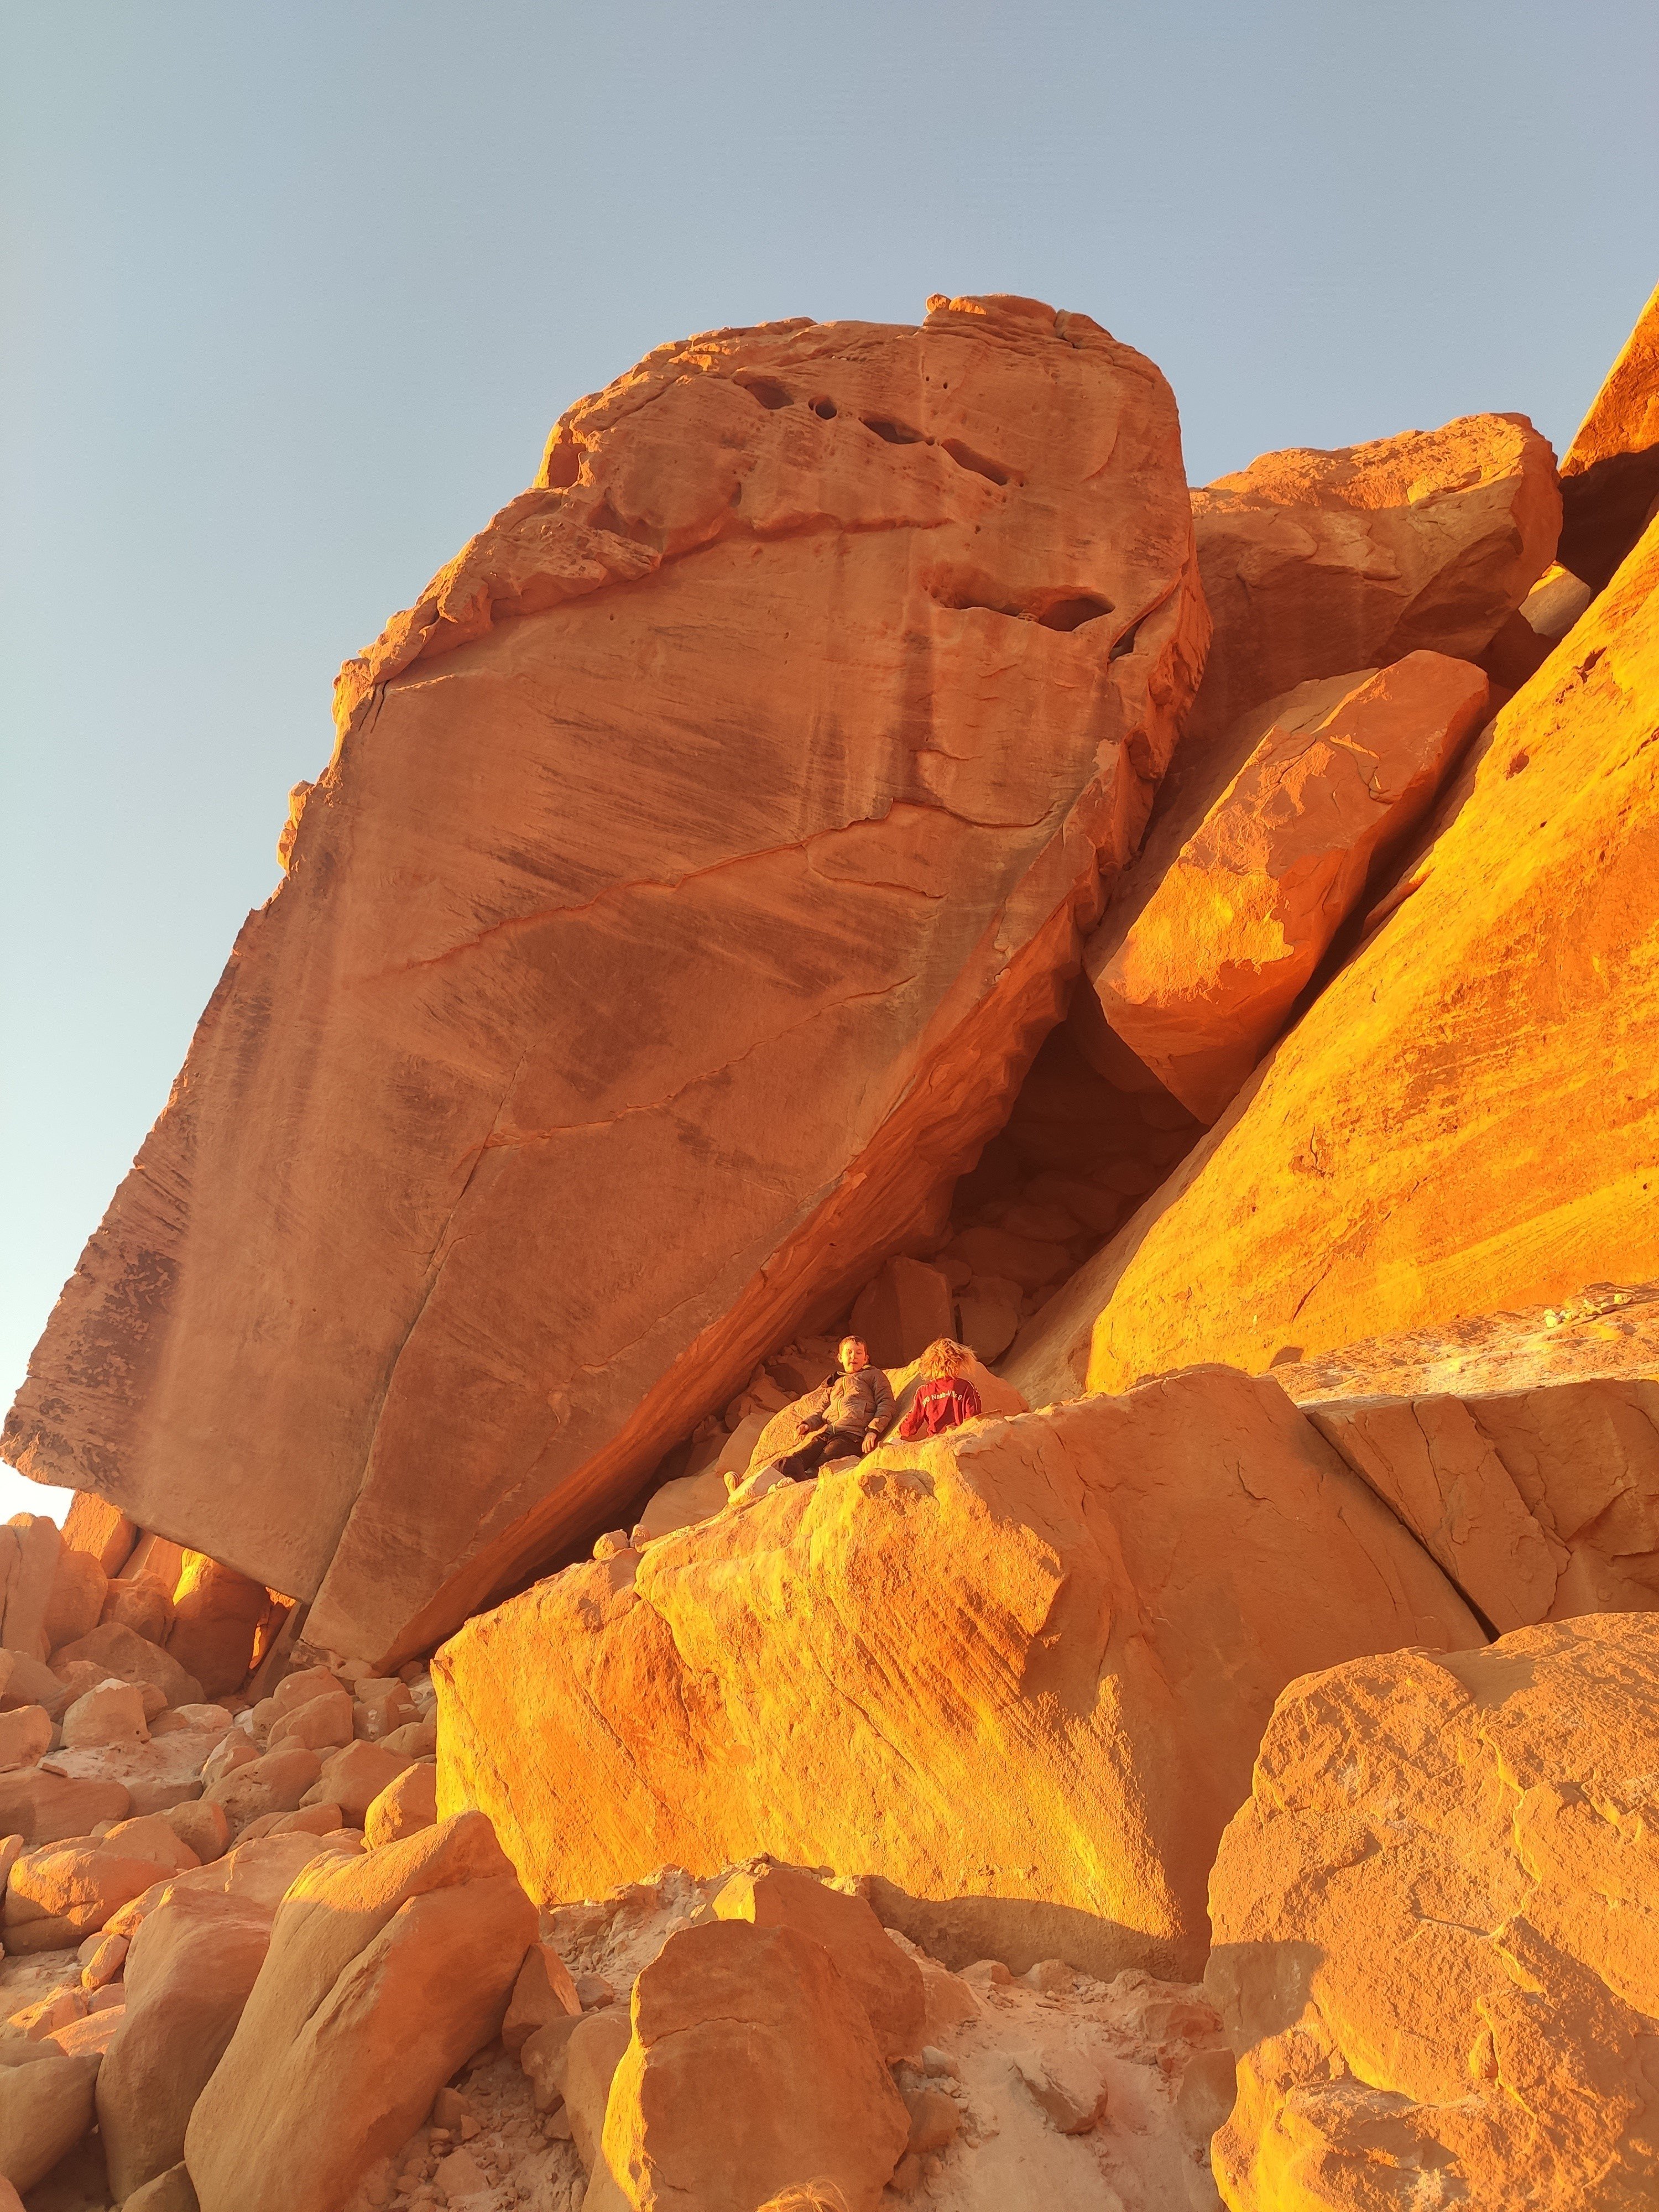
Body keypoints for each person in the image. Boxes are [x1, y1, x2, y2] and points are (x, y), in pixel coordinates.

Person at [774, 1336, 895, 1480]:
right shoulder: (834, 1382)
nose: (853, 1356)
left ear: (866, 1358)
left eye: (859, 1353)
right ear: (840, 1358)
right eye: (849, 1352)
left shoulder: (873, 1375)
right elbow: (821, 1410)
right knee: (792, 1461)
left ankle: (806, 1480)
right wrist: (807, 1424)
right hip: (829, 1433)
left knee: (821, 1467)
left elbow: (886, 1402)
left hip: (852, 1436)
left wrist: (873, 1430)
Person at [897, 1338, 983, 1439]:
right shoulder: (967, 1387)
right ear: (957, 1362)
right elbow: (975, 1420)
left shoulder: (923, 1392)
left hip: (935, 1443)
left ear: (929, 1364)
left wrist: (900, 1431)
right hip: (960, 1441)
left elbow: (911, 1424)